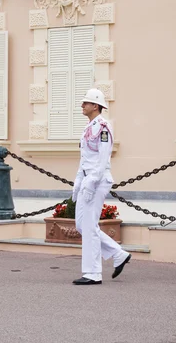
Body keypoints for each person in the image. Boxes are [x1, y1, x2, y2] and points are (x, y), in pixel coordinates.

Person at [72, 89, 131, 285]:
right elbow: (85, 159)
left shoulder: (103, 127)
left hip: (97, 181)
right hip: (88, 180)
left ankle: (92, 273)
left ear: (95, 106)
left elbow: (103, 158)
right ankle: (117, 253)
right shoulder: (89, 127)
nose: (82, 105)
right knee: (82, 225)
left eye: (86, 103)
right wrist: (78, 181)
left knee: (88, 226)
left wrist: (90, 182)